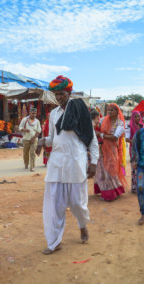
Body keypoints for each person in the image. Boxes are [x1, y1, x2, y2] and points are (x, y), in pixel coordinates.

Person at [38, 75, 99, 255]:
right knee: (54, 205)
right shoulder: (54, 114)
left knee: (77, 204)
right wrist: (42, 141)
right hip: (56, 163)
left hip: (75, 162)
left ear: (69, 92)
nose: (59, 97)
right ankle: (54, 241)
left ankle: (82, 225)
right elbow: (53, 139)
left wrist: (93, 162)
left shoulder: (80, 110)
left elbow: (91, 139)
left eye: (62, 94)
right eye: (56, 94)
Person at [94, 103, 127, 201]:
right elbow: (95, 124)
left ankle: (112, 193)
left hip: (112, 150)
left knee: (110, 170)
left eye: (112, 110)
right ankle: (105, 191)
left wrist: (101, 135)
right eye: (108, 110)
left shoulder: (120, 123)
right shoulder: (103, 120)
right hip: (101, 149)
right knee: (101, 169)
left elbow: (115, 137)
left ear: (117, 111)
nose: (110, 112)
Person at [126, 110, 143, 194]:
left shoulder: (142, 126)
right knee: (135, 168)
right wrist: (135, 141)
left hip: (142, 149)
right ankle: (135, 187)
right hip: (134, 150)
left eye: (138, 116)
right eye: (135, 116)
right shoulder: (130, 126)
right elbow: (126, 138)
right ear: (132, 117)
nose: (137, 118)